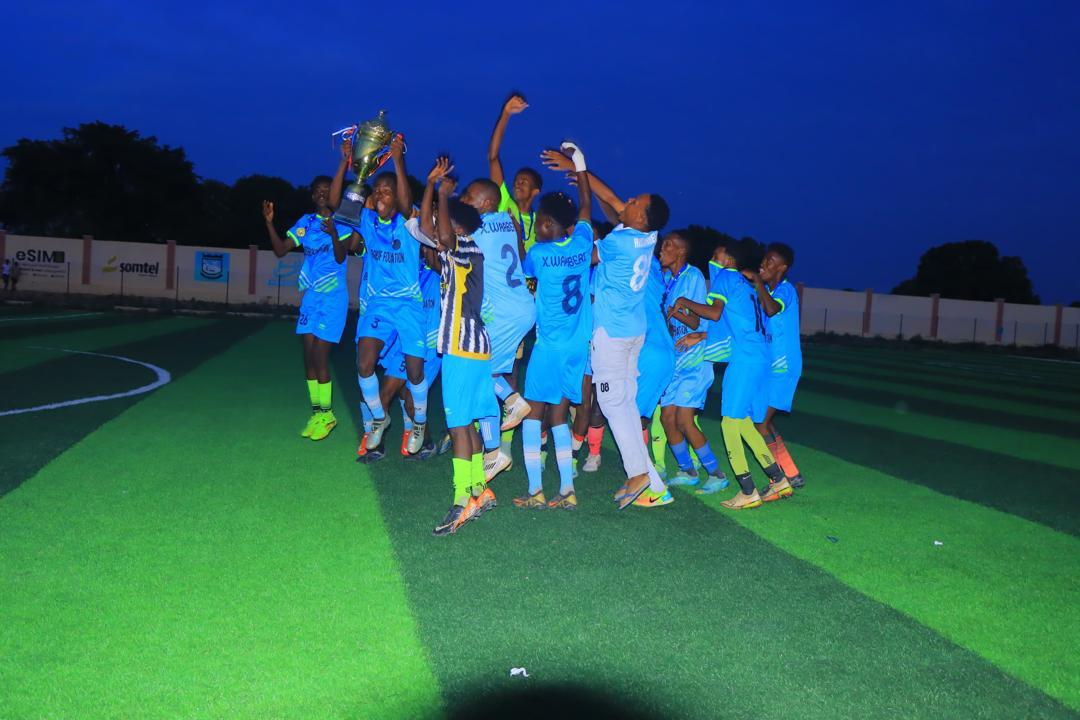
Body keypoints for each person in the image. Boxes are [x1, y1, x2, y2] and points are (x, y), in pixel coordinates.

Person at [541, 149, 671, 509]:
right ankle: (657, 487)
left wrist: (566, 237)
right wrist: (579, 168)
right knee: (625, 406)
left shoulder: (618, 242)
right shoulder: (647, 236)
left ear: (640, 217)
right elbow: (612, 199)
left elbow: (587, 253)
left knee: (614, 406)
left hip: (612, 335)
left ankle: (638, 474)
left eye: (634, 203)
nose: (625, 202)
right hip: (633, 332)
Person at [668, 238, 792, 509]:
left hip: (745, 360)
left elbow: (714, 314)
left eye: (716, 253)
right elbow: (732, 322)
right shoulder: (747, 286)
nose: (712, 257)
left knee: (729, 423)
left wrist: (684, 301)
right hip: (760, 358)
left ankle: (747, 491)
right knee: (743, 422)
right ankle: (777, 478)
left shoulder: (725, 277)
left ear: (728, 260)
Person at [331, 136, 431, 457]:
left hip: (409, 307)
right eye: (377, 191)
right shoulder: (368, 222)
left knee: (415, 373)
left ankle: (419, 424)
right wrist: (348, 166)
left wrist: (398, 160)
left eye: (386, 190)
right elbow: (338, 204)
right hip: (377, 306)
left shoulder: (409, 222)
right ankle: (378, 417)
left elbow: (404, 203)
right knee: (364, 364)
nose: (380, 195)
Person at [413, 157, 497, 536]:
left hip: (463, 349)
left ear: (460, 225)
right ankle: (480, 487)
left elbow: (443, 234)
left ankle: (462, 499)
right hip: (474, 348)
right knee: (470, 421)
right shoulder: (461, 251)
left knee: (459, 424)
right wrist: (432, 187)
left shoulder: (465, 248)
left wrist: (444, 195)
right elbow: (429, 230)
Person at [514, 142, 594, 510]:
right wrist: (580, 165)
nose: (539, 227)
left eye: (542, 222)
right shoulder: (581, 241)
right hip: (578, 348)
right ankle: (567, 489)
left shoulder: (541, 253)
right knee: (559, 415)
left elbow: (525, 269)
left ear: (547, 224)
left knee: (533, 413)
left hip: (549, 347)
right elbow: (587, 208)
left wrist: (519, 234)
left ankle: (534, 490)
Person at [262, 177, 354, 441]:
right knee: (308, 358)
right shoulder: (305, 223)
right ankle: (317, 414)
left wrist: (334, 232)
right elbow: (281, 250)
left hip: (333, 298)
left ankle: (328, 414)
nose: (323, 194)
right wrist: (269, 222)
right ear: (313, 196)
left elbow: (340, 256)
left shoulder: (342, 221)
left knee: (319, 356)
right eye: (318, 191)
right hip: (312, 298)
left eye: (327, 190)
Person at [458, 178, 537, 480]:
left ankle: (514, 402)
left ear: (487, 204)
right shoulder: (506, 219)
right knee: (484, 378)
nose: (464, 199)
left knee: (479, 372)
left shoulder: (476, 228)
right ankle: (494, 453)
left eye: (469, 196)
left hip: (502, 313)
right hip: (521, 307)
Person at [657, 232, 728, 493]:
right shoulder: (667, 279)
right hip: (675, 358)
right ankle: (687, 470)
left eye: (667, 246)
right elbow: (672, 317)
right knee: (667, 417)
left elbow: (696, 321)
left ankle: (717, 474)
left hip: (696, 359)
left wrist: (679, 309)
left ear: (681, 252)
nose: (661, 249)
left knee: (685, 420)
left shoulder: (693, 276)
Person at [754, 243, 805, 488]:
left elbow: (772, 310)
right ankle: (791, 473)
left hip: (783, 368)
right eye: (764, 259)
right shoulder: (770, 293)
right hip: (770, 367)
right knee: (762, 419)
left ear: (782, 268)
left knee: (760, 423)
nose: (764, 264)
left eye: (770, 261)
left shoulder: (786, 291)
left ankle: (779, 479)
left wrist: (758, 284)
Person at [488, 92, 542, 252]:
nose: (517, 184)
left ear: (535, 191)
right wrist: (505, 114)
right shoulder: (505, 202)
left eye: (524, 181)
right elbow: (493, 158)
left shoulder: (541, 220)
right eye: (517, 180)